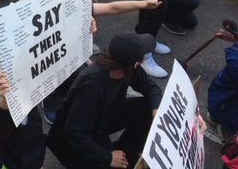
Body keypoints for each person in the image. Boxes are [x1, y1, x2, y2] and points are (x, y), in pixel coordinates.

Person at [50, 32, 165, 169]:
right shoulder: (93, 86)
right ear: (134, 63)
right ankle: (114, 157)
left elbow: (150, 87)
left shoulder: (124, 64)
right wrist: (107, 157)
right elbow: (74, 133)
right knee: (111, 163)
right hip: (71, 141)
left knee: (147, 107)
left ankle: (126, 152)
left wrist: (156, 111)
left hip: (100, 120)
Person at [0, 73, 47, 169]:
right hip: (11, 158)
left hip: (33, 149)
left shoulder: (29, 89)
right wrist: (3, 101)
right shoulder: (4, 95)